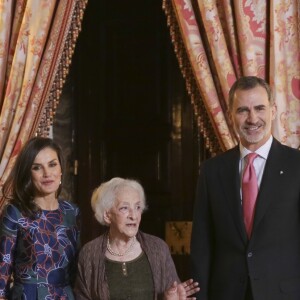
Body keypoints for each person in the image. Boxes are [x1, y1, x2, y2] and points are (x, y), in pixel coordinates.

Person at [190, 75, 300, 300]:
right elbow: (202, 246)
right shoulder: (211, 171)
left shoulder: (296, 166)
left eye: (259, 108)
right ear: (230, 116)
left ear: (273, 110)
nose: (252, 118)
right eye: (242, 110)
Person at [74, 177, 200, 300]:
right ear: (107, 215)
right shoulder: (89, 253)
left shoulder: (158, 249)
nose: (133, 215)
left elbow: (173, 290)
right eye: (124, 208)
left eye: (138, 207)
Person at [0, 137, 80, 299]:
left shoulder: (72, 211)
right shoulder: (15, 212)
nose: (47, 174)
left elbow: (75, 270)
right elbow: (2, 269)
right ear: (28, 173)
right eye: (37, 167)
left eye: (52, 164)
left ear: (61, 169)